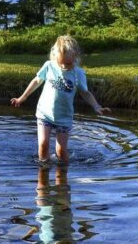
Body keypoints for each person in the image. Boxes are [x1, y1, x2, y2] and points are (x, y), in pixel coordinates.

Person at [11, 35, 109, 164]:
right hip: (44, 113)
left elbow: (85, 93)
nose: (64, 66)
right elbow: (36, 81)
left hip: (64, 117)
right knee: (43, 144)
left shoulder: (78, 73)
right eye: (60, 62)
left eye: (68, 63)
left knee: (61, 151)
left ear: (75, 57)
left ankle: (62, 178)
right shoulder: (49, 66)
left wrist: (96, 106)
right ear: (54, 56)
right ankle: (43, 175)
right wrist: (22, 98)